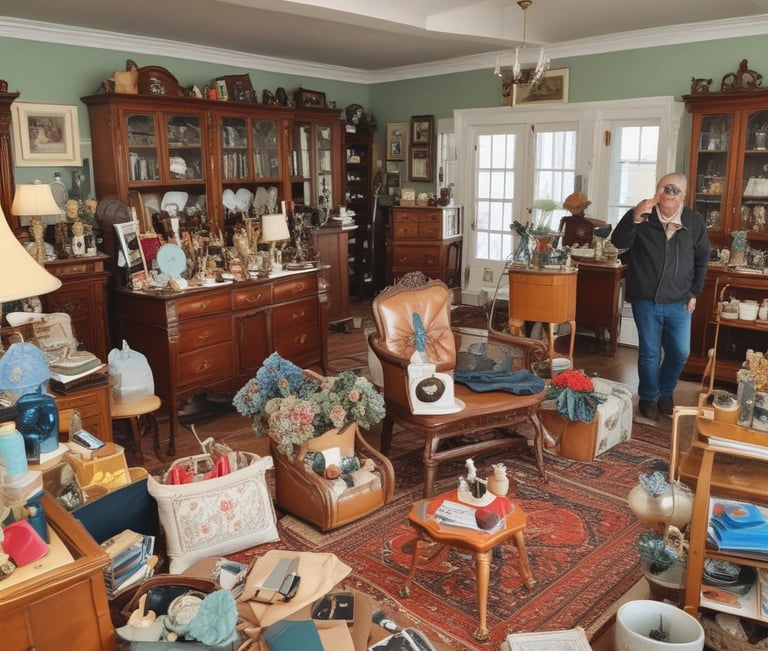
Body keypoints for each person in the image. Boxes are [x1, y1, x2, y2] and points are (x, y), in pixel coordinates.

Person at [610, 172, 710, 421]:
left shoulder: (694, 221)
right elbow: (618, 241)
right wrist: (635, 216)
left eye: (675, 190)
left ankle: (665, 392)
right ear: (657, 191)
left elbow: (702, 259)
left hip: (680, 300)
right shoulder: (643, 215)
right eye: (665, 188)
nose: (669, 194)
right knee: (650, 353)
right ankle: (648, 397)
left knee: (680, 352)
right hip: (646, 299)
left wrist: (695, 292)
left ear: (684, 195)